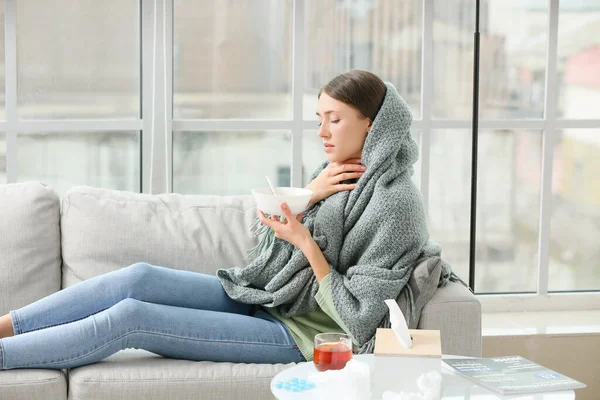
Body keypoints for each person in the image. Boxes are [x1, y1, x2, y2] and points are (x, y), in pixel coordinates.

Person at [0, 70, 454, 370]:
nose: (321, 132)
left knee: (131, 321)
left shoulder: (397, 206)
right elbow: (265, 242)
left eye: (333, 120)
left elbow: (359, 322)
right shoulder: (334, 177)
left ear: (373, 126)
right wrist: (308, 196)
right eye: (319, 119)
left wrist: (306, 244)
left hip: (302, 334)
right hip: (273, 297)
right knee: (138, 278)